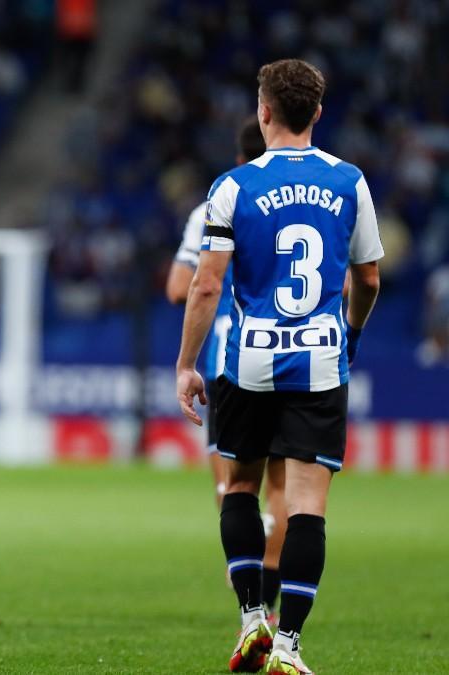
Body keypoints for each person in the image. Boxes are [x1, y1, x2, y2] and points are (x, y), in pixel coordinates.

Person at [176, 59, 383, 675]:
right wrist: (349, 330)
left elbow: (206, 286)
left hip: (250, 363)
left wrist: (188, 364)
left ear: (263, 111)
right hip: (321, 362)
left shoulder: (233, 187)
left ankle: (250, 621)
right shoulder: (351, 182)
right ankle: (289, 645)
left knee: (239, 487)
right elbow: (369, 277)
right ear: (317, 113)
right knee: (306, 505)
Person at [166, 118, 287, 622]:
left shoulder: (218, 202)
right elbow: (353, 281)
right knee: (286, 486)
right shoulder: (319, 195)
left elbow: (180, 287)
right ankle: (277, 607)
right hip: (301, 359)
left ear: (239, 158)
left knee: (234, 486)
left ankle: (249, 599)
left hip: (232, 360)